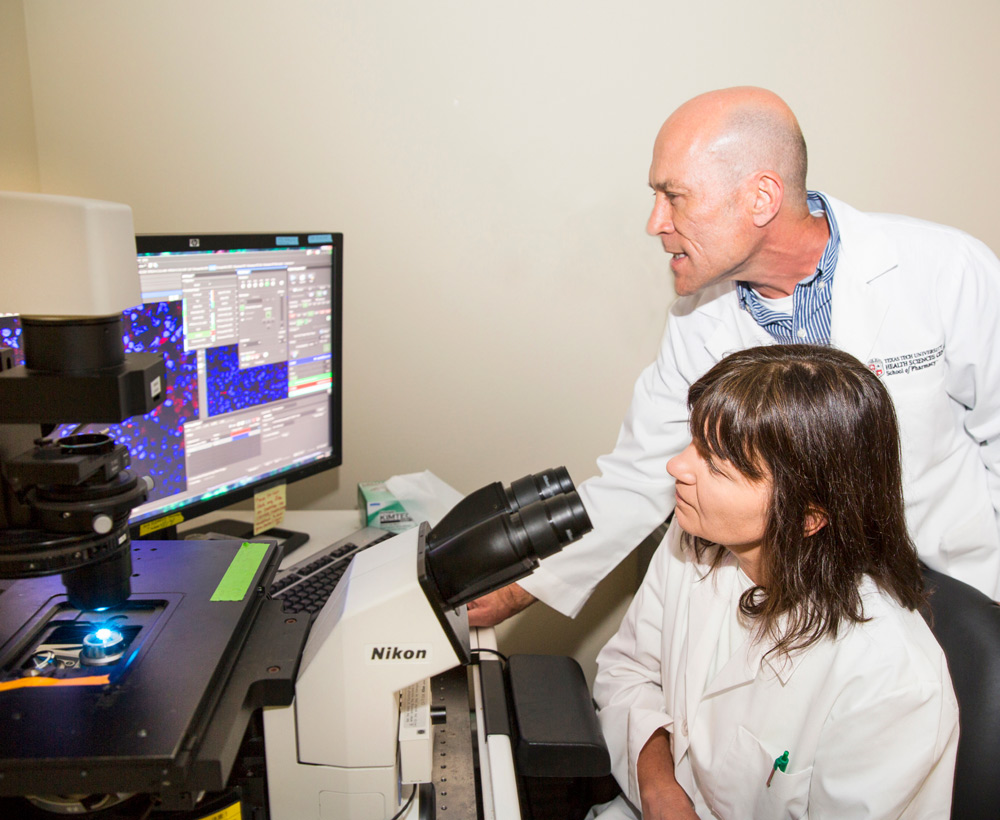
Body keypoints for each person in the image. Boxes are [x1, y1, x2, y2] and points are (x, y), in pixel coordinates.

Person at [467, 86, 1000, 627]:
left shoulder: (945, 269)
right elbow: (640, 475)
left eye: (674, 197)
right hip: (810, 607)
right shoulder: (697, 320)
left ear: (761, 198)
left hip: (955, 592)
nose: (655, 222)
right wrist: (519, 589)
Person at [592, 345, 958, 819]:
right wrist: (661, 791)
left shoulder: (892, 682)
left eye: (716, 464)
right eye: (693, 441)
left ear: (808, 516)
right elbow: (628, 672)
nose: (677, 466)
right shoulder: (696, 537)